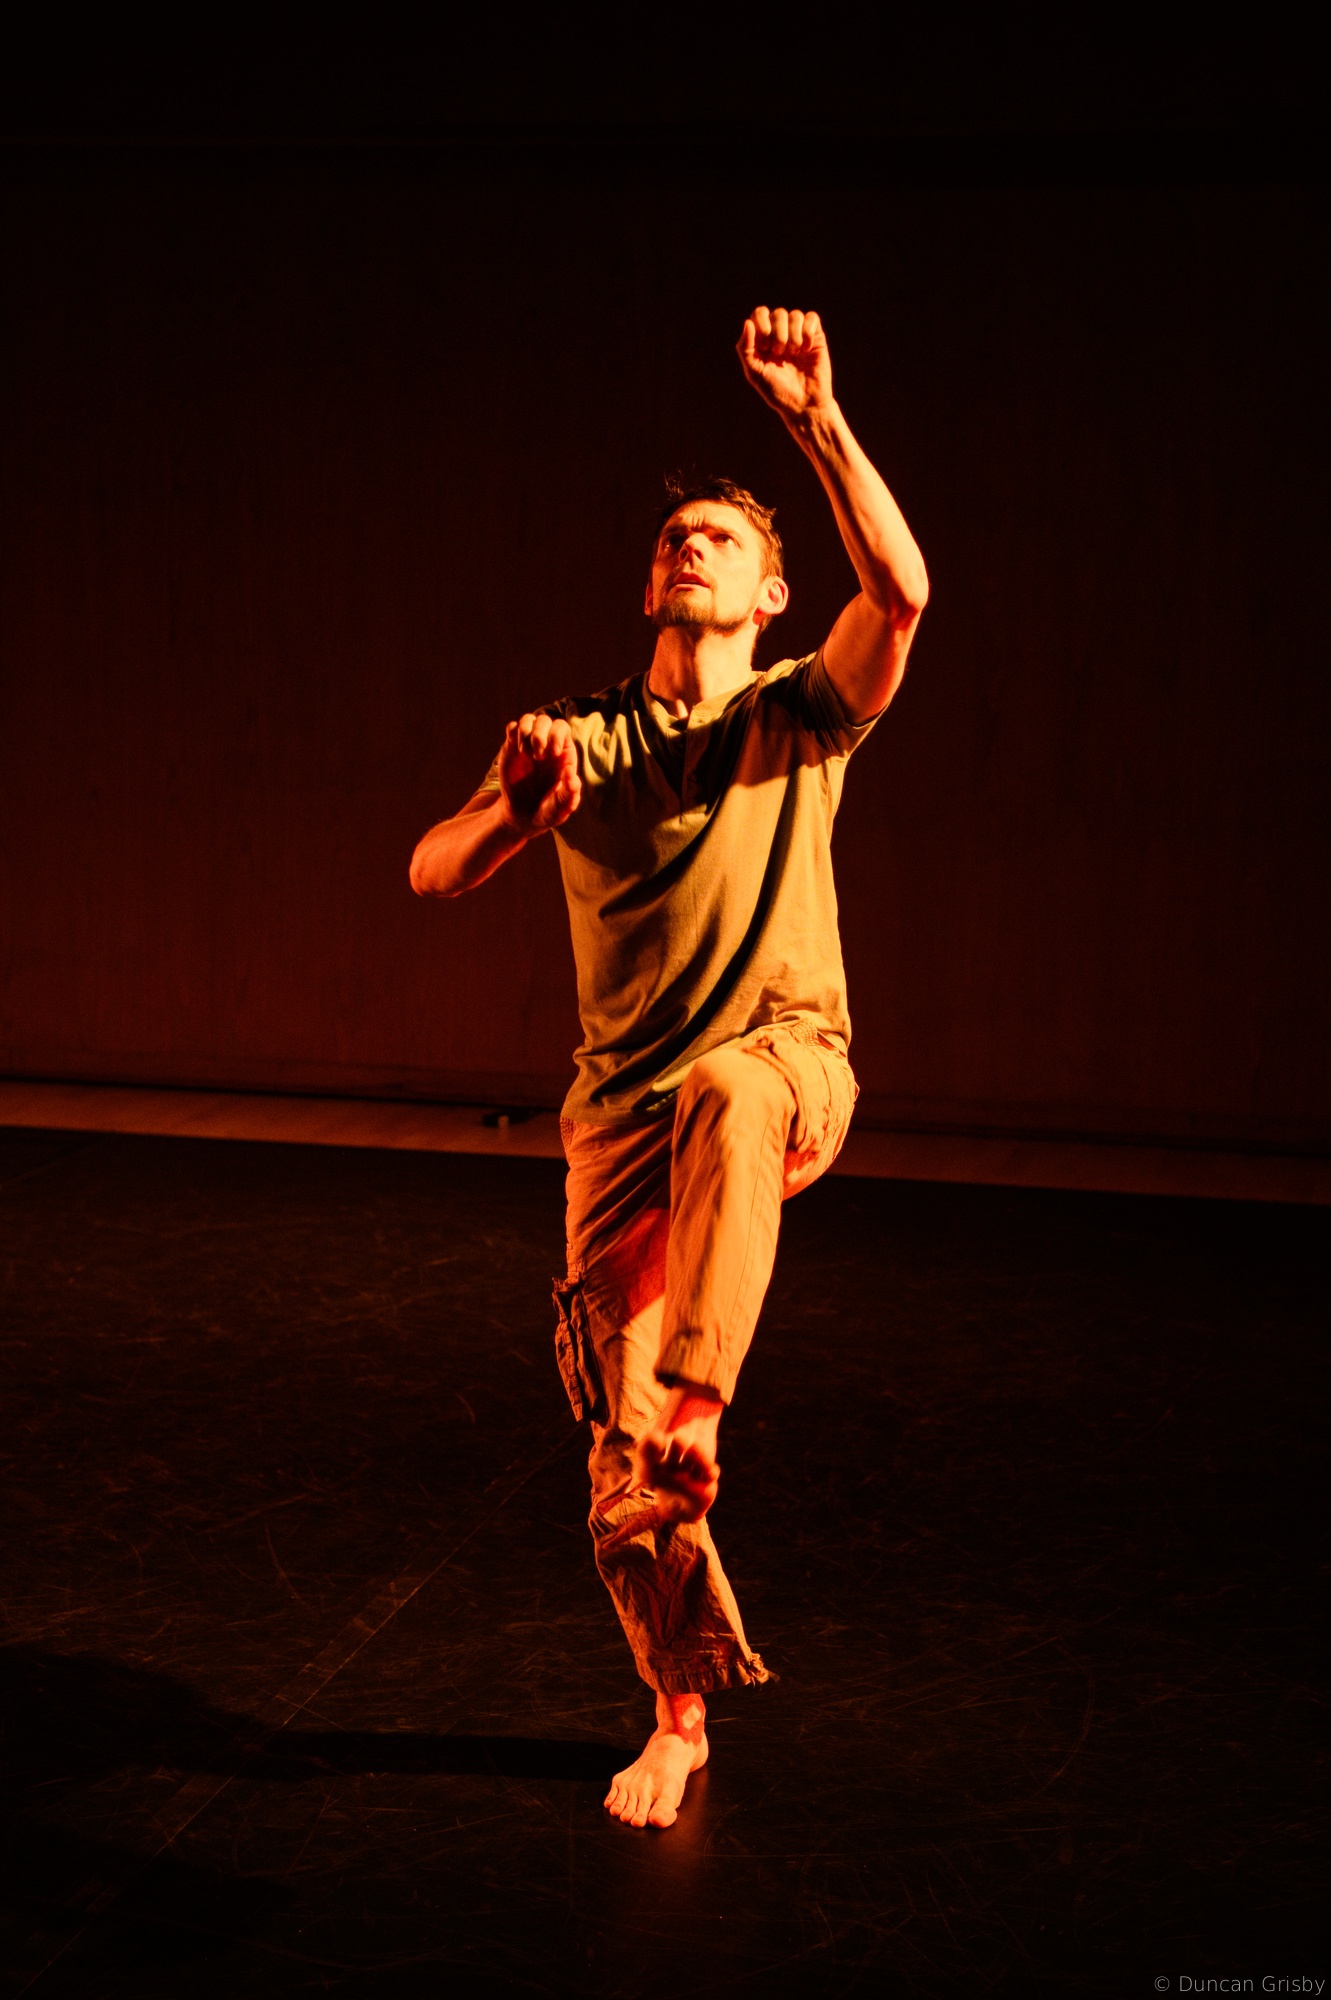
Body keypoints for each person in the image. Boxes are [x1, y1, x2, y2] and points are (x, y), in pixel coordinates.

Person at [410, 306, 928, 1829]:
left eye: (721, 538)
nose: (689, 546)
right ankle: (679, 1714)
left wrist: (816, 420)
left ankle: (701, 1405)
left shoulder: (802, 713)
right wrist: (512, 817)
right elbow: (431, 868)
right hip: (621, 1129)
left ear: (772, 592)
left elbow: (901, 592)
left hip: (785, 1071)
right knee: (621, 1479)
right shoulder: (574, 737)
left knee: (731, 1092)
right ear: (652, 585)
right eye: (673, 537)